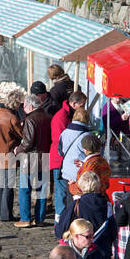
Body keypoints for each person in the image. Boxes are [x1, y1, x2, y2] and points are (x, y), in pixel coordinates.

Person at [54, 169, 115, 255]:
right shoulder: (108, 205)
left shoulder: (77, 204)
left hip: (83, 249)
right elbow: (113, 231)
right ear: (98, 185)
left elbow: (60, 229)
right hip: (103, 250)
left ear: (81, 185)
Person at [14, 90, 52, 228]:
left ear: (30, 106)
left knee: (25, 189)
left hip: (31, 159)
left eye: (24, 106)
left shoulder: (30, 119)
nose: (23, 109)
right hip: (45, 157)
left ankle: (25, 218)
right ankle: (40, 218)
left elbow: (28, 142)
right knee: (42, 190)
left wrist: (17, 150)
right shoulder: (48, 117)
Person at [0, 86, 23, 222]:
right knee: (8, 186)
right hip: (9, 154)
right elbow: (22, 134)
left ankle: (0, 213)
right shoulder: (12, 118)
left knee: (0, 185)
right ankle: (7, 214)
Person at [49, 91, 85, 220]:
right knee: (61, 193)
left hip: (65, 161)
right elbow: (61, 143)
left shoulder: (69, 114)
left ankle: (66, 219)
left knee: (66, 192)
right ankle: (61, 221)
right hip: (60, 161)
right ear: (74, 104)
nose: (83, 108)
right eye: (82, 105)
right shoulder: (61, 117)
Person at [68, 132, 110, 197]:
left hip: (90, 200)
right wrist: (84, 165)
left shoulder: (90, 165)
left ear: (85, 150)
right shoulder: (103, 161)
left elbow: (82, 189)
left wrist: (71, 185)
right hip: (102, 197)